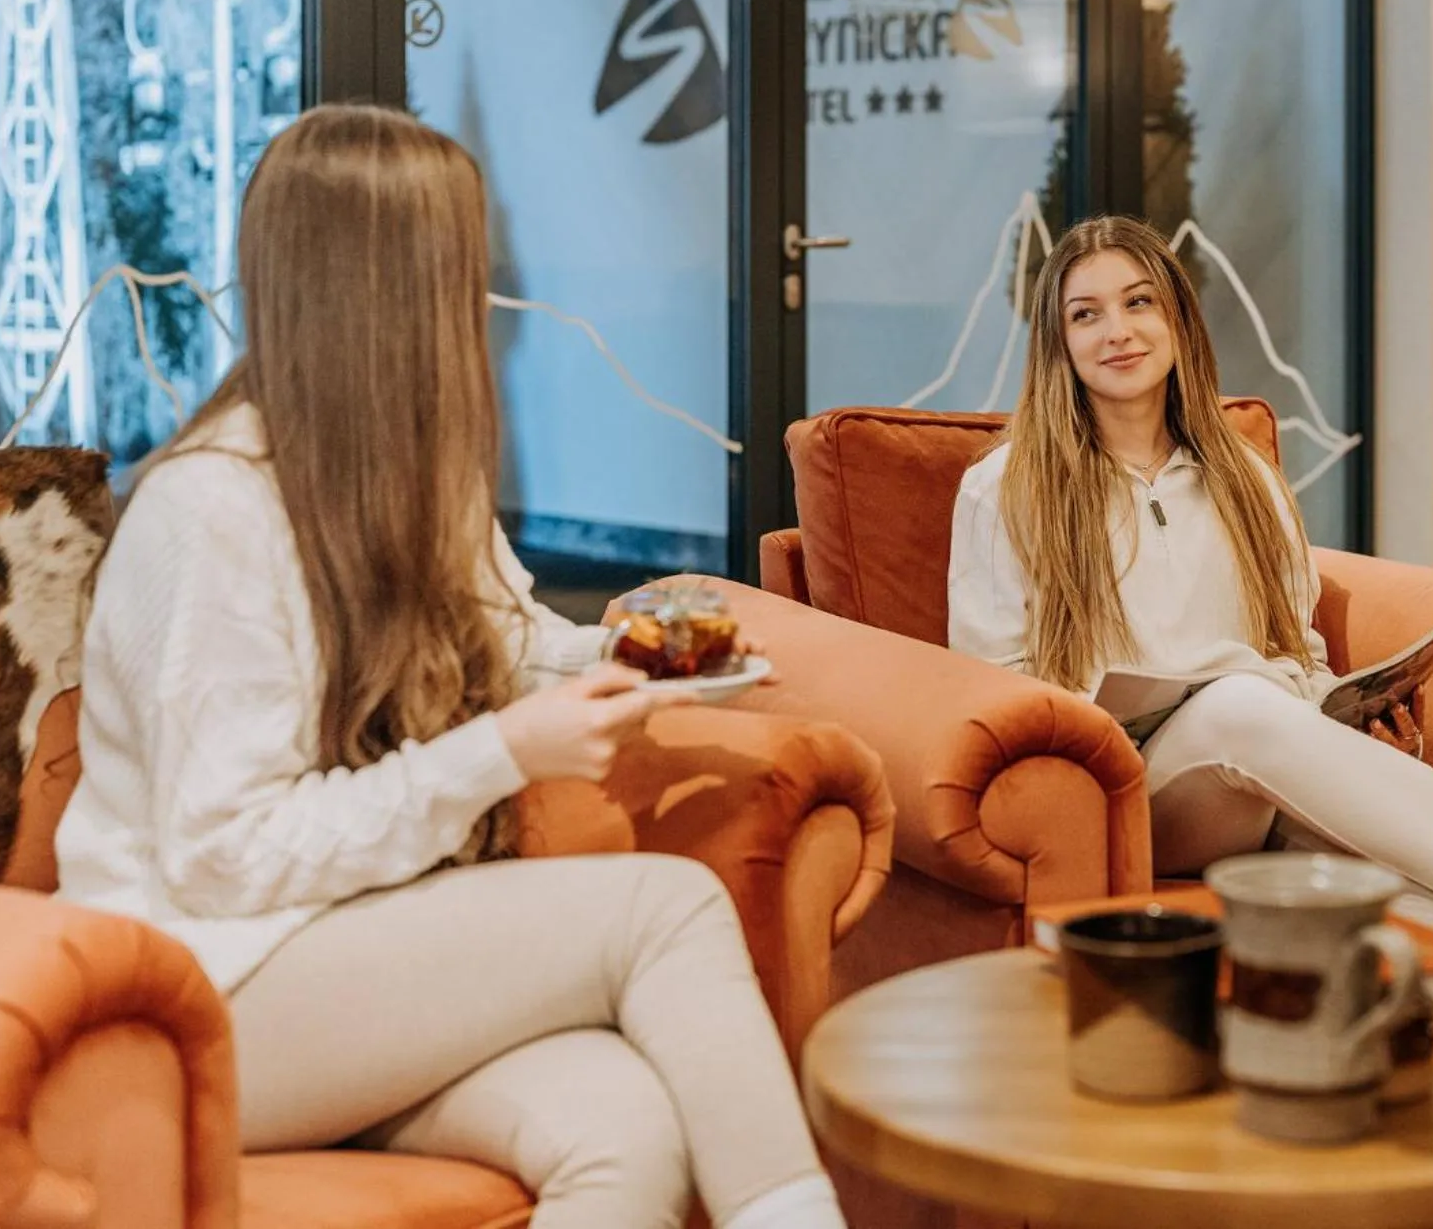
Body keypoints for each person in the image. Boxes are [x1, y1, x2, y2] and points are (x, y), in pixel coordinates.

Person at [54, 106, 845, 1229]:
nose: (481, 301)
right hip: (196, 988)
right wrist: (500, 754)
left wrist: (655, 657)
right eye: (460, 266)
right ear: (387, 289)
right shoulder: (211, 508)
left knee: (625, 1129)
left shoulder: (412, 475)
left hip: (349, 958)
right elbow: (224, 857)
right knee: (663, 912)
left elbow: (514, 646)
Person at [946, 215, 1433, 895]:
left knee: (1401, 890)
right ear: (1059, 343)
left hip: (1256, 771)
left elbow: (1299, 654)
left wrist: (1349, 727)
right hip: (1125, 789)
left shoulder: (1247, 477)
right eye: (1086, 314)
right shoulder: (1006, 486)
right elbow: (990, 683)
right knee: (1236, 705)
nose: (1118, 331)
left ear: (1178, 318)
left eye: (1139, 302)